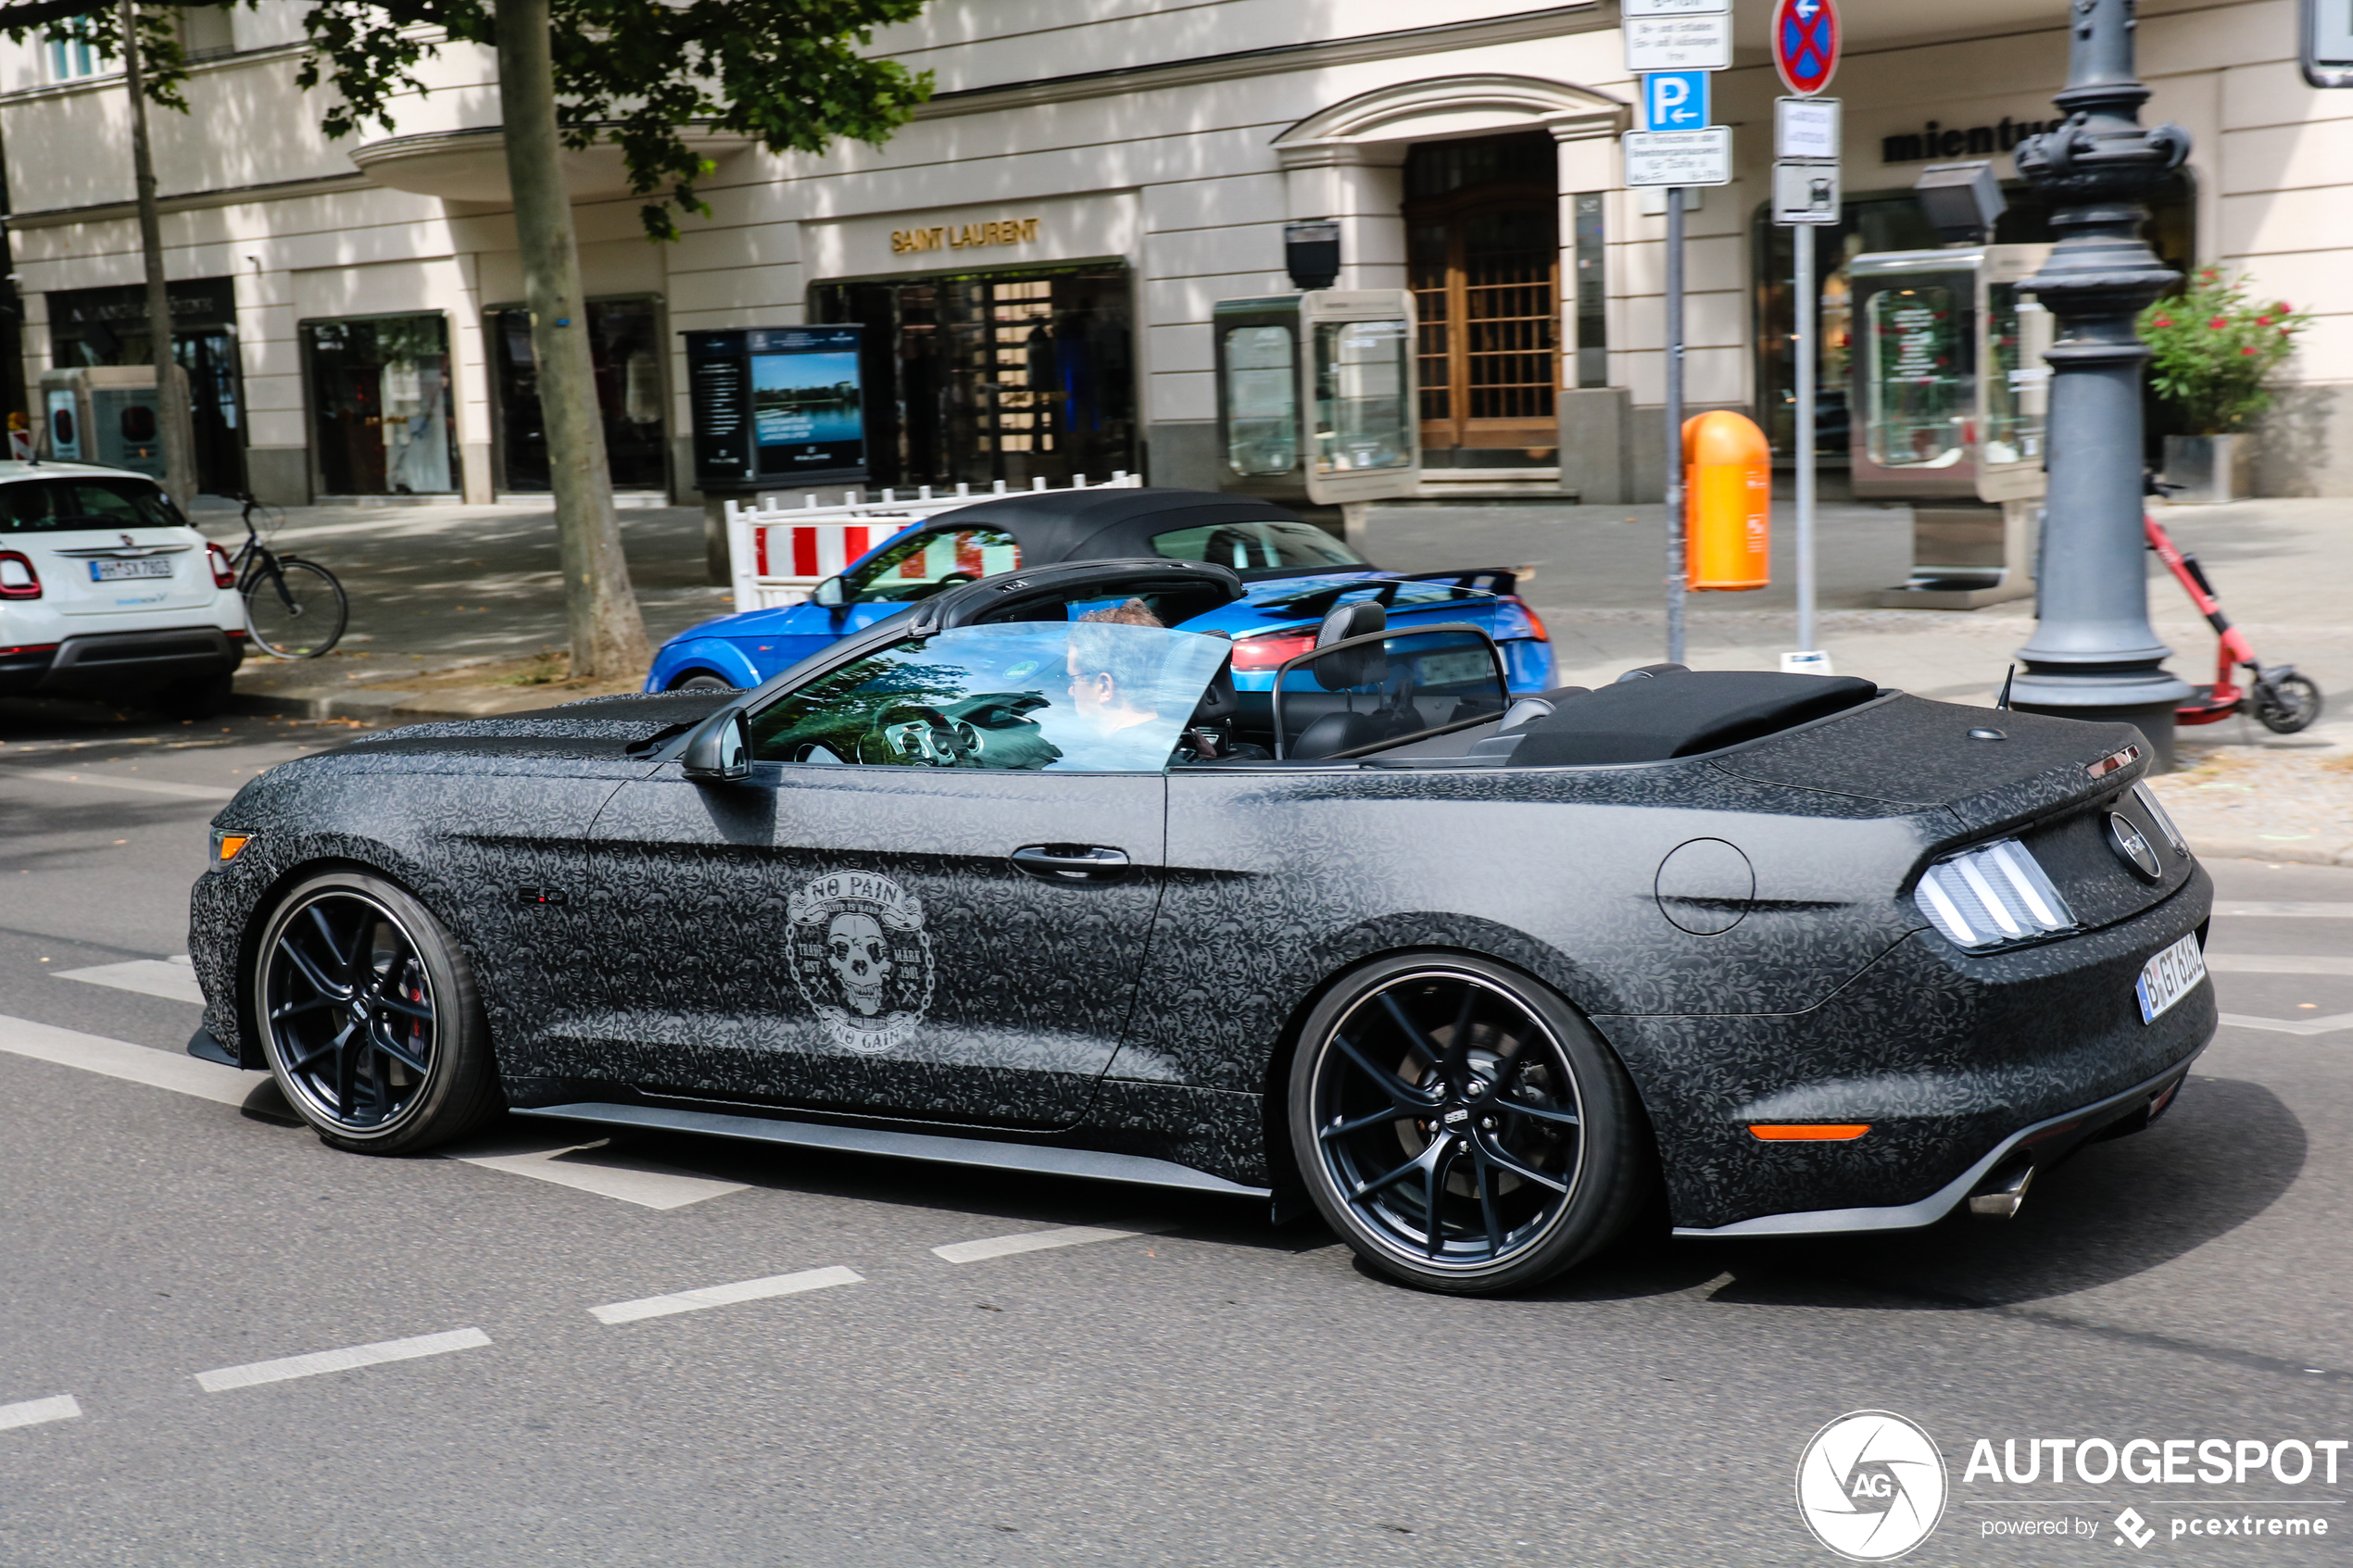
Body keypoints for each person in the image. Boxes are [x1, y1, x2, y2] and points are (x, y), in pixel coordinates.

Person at [1063, 598, 1170, 734]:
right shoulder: (1186, 743)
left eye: (1074, 680)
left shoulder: (1113, 754)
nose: (1071, 691)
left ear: (1104, 687)